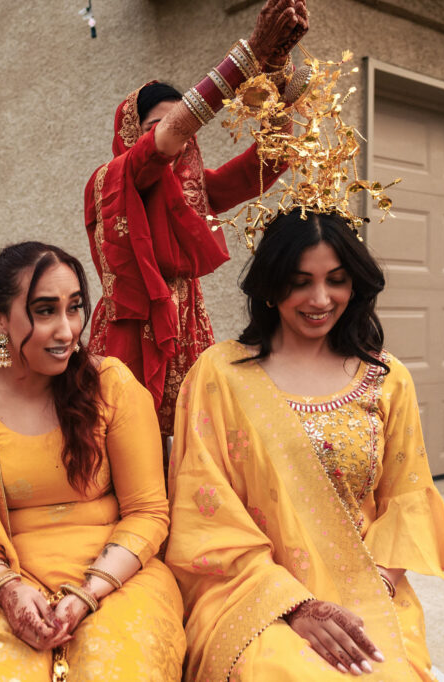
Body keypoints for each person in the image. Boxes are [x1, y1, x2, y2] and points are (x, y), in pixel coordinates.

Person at [166, 211, 444, 681]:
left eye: (336, 280)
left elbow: (406, 502)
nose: (320, 299)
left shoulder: (386, 379)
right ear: (270, 286)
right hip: (251, 594)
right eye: (300, 281)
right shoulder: (220, 375)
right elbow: (204, 516)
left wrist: (367, 594)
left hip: (365, 586)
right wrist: (296, 605)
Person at [0, 242, 185, 681]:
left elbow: (148, 512)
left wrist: (87, 594)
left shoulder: (112, 387)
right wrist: (5, 588)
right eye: (45, 311)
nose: (66, 330)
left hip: (117, 578)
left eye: (75, 308)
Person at [84, 0, 308, 442]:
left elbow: (264, 164)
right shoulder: (114, 178)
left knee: (192, 445)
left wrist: (278, 71)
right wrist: (248, 57)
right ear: (131, 134)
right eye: (156, 126)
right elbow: (168, 141)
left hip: (189, 321)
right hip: (132, 329)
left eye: (183, 128)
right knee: (125, 445)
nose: (178, 138)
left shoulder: (188, 191)